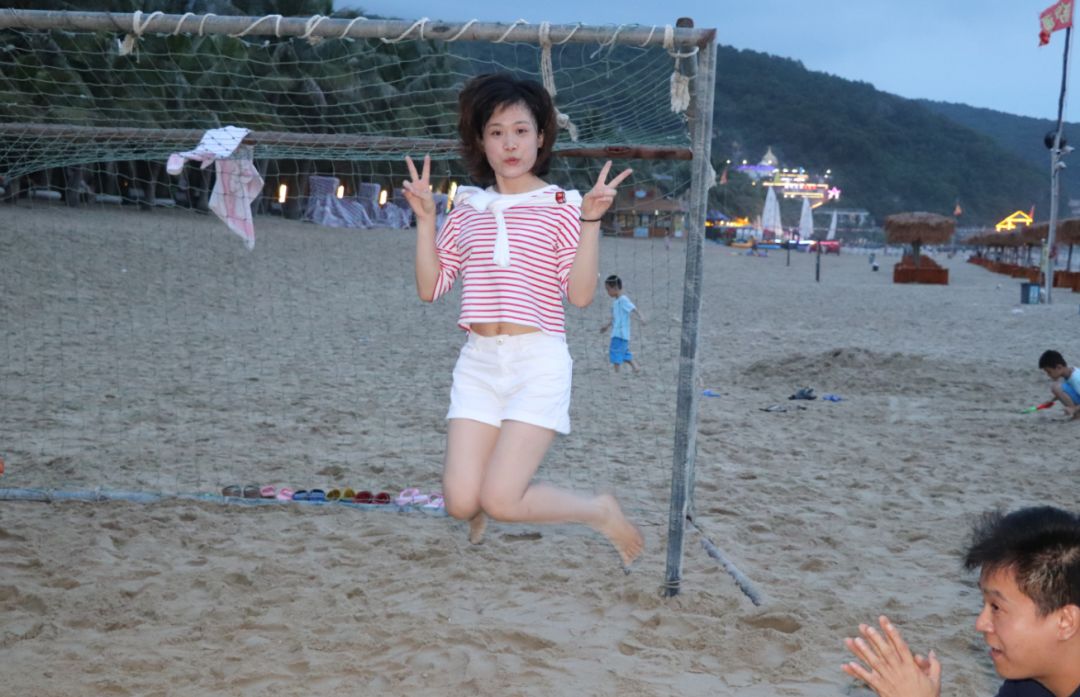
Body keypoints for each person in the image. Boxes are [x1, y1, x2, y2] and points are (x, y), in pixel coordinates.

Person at [401, 73, 644, 568]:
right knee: (460, 503)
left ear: (541, 136)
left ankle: (598, 510)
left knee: (502, 499)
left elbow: (580, 297)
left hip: (537, 363)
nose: (509, 144)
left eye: (520, 130)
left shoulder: (563, 207)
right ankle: (477, 508)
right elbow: (431, 287)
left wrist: (590, 222)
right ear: (480, 142)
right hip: (479, 363)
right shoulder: (468, 208)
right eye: (496, 132)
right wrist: (426, 220)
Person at [842, 506, 1080, 697]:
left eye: (996, 607)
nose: (981, 624)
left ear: (1065, 622)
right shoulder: (1028, 684)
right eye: (984, 604)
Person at [599, 274, 646, 373]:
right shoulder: (616, 302)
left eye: (608, 289)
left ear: (615, 288)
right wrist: (607, 326)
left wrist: (641, 316)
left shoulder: (623, 300)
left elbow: (633, 308)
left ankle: (617, 372)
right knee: (623, 352)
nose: (607, 292)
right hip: (620, 334)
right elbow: (615, 318)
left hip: (619, 334)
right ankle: (635, 367)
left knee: (615, 352)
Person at [1038, 350, 1080, 420]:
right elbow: (1067, 392)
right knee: (1057, 388)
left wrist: (1074, 409)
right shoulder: (1069, 373)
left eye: (1049, 372)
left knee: (1056, 387)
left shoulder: (1076, 379)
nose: (1048, 375)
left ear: (1059, 367)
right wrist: (1051, 401)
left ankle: (1077, 414)